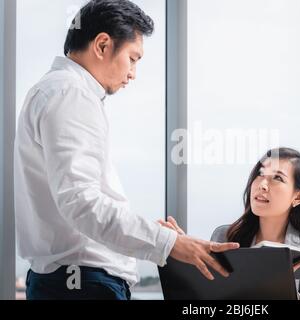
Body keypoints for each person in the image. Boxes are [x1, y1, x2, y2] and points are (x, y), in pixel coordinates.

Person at [14, 0, 238, 300]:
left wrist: (145, 231)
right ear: (103, 45)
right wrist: (168, 243)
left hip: (70, 282)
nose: (133, 73)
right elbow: (81, 203)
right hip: (82, 285)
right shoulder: (71, 94)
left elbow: (77, 201)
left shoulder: (55, 91)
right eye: (133, 58)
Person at [161, 148, 300, 300]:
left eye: (277, 178)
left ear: (298, 197)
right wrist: (184, 258)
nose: (262, 185)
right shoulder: (225, 236)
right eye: (260, 174)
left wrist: (280, 287)